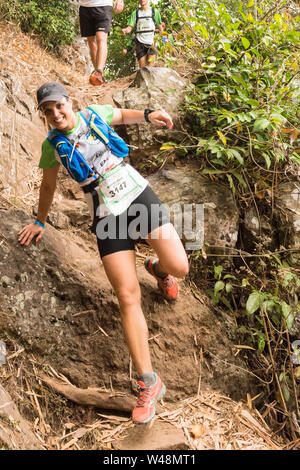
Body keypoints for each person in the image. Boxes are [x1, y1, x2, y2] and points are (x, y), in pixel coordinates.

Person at [18, 82, 189, 424]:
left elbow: (122, 114)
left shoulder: (94, 114)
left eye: (59, 106)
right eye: (48, 111)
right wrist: (40, 221)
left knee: (180, 267)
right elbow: (48, 184)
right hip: (105, 215)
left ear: (70, 102)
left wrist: (148, 115)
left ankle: (159, 268)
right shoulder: (51, 146)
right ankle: (149, 383)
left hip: (137, 196)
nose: (56, 114)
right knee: (127, 295)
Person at [79, 0, 124, 86]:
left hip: (103, 5)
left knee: (101, 38)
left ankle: (99, 71)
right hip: (84, 6)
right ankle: (97, 77)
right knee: (91, 42)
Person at [122, 0, 163, 68]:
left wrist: (161, 40)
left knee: (150, 67)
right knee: (142, 68)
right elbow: (130, 27)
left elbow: (160, 27)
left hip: (152, 42)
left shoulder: (154, 11)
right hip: (140, 42)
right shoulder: (135, 13)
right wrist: (125, 30)